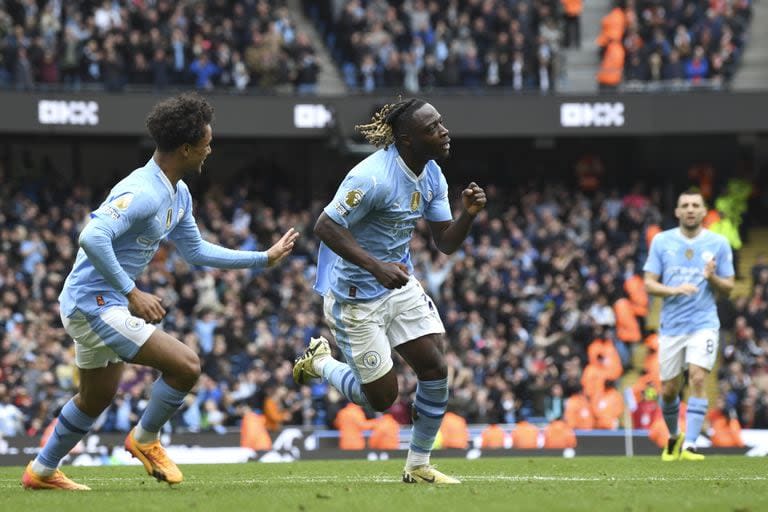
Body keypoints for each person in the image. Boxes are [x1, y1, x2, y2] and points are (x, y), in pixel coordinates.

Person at [21, 93, 299, 490]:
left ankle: (41, 471)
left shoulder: (178, 193)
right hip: (92, 303)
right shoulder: (144, 191)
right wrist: (133, 292)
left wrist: (262, 258)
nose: (210, 148)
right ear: (186, 148)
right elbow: (92, 237)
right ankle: (145, 439)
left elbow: (197, 251)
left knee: (95, 398)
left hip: (101, 302)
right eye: (206, 142)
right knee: (185, 365)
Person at [293, 98, 486, 484]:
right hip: (354, 296)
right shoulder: (372, 177)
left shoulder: (431, 174)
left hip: (397, 284)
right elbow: (325, 227)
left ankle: (418, 465)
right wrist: (375, 267)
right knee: (382, 400)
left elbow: (444, 243)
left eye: (441, 122)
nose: (444, 131)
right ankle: (321, 363)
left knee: (435, 366)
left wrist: (467, 215)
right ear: (407, 140)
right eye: (432, 127)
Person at [643, 188, 734, 461]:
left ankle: (691, 445)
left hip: (703, 323)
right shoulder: (661, 241)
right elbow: (648, 282)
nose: (691, 209)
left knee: (697, 376)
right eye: (686, 205)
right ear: (677, 212)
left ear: (704, 211)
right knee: (669, 389)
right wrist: (673, 290)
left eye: (696, 205)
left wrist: (712, 279)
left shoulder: (718, 243)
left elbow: (729, 287)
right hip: (671, 326)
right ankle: (674, 437)